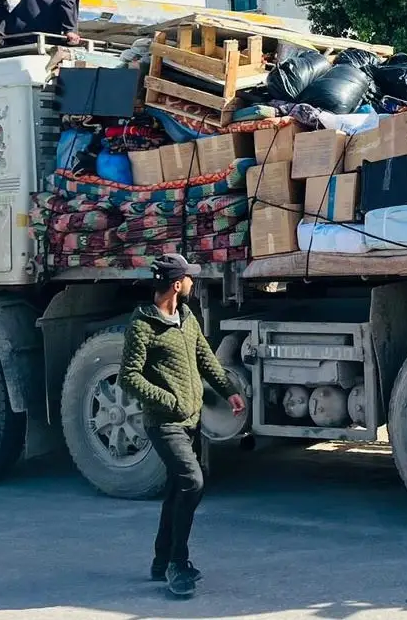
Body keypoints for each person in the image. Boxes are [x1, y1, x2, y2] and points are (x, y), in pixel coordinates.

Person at [118, 253, 246, 598]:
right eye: (189, 277)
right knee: (193, 482)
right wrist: (169, 401)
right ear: (177, 284)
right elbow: (128, 377)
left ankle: (161, 562)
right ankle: (178, 562)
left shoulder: (186, 318)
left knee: (177, 490)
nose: (193, 281)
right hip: (164, 423)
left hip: (191, 421)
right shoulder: (143, 325)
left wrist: (229, 391)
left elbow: (206, 359)